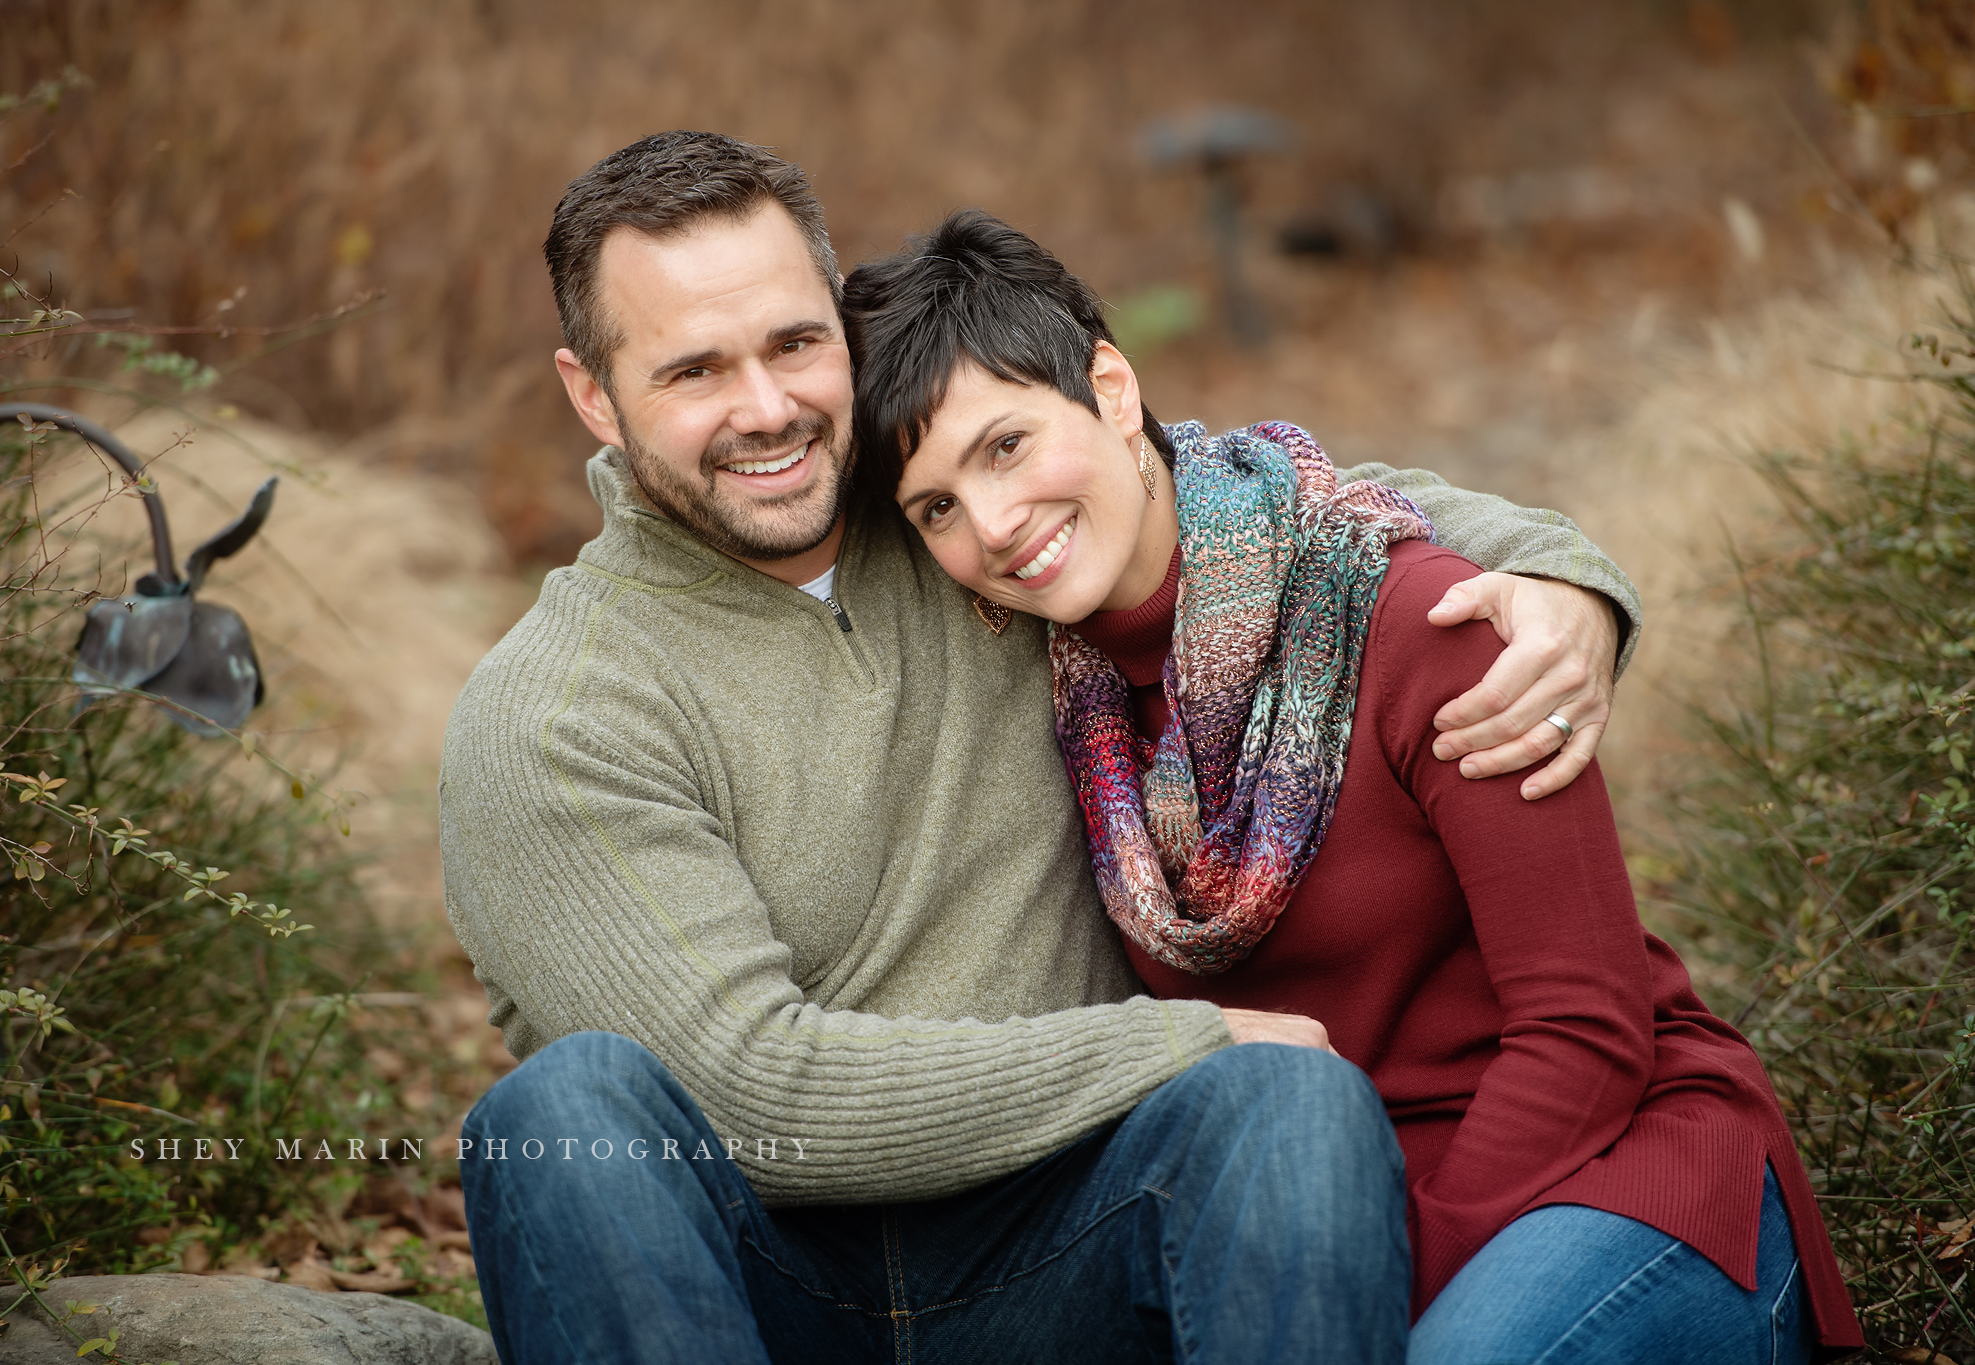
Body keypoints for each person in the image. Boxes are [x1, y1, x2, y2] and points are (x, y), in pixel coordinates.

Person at [441, 131, 1646, 1364]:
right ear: (593, 393)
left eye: (795, 344)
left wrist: (1558, 574)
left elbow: (1238, 495)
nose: (765, 410)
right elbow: (750, 1098)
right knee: (561, 1108)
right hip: (767, 1289)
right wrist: (1179, 1037)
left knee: (1286, 1108)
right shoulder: (554, 714)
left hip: (1073, 1236)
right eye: (693, 369)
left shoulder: (954, 519)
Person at [840, 206, 1867, 1364]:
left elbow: (1585, 1030)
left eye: (1006, 447)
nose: (990, 524)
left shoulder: (1419, 621)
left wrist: (1360, 1289)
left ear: (1112, 391)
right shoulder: (1066, 710)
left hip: (1615, 1172)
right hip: (1317, 1217)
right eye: (934, 506)